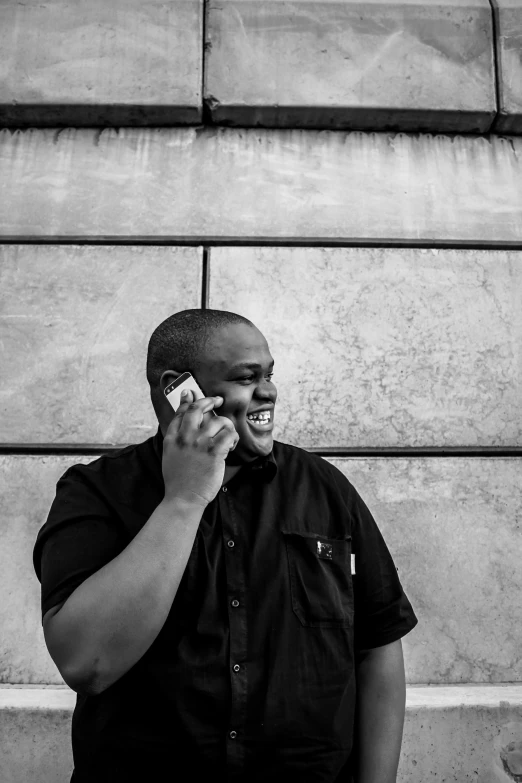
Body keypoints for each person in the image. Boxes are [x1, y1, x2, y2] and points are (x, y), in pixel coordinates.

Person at [33, 308, 418, 783]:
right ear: (180, 390)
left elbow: (378, 646)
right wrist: (185, 499)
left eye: (270, 375)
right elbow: (87, 663)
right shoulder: (97, 493)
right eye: (246, 377)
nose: (269, 391)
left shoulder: (324, 489)